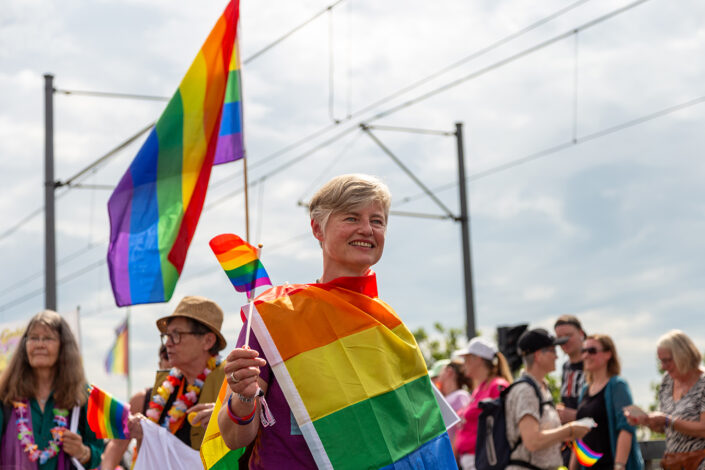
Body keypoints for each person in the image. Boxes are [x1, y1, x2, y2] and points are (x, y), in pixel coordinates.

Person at [218, 174, 456, 469]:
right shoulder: (273, 316)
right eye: (352, 217)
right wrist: (243, 394)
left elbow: (417, 441)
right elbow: (234, 437)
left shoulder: (390, 326)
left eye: (378, 221)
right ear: (317, 228)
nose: (367, 229)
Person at [0, 310, 104, 469]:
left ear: (64, 346)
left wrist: (83, 452)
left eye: (48, 338)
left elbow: (98, 452)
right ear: (24, 345)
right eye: (33, 338)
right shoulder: (6, 394)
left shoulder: (82, 396)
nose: (40, 344)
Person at [127, 295, 226, 452]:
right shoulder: (165, 384)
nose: (167, 343)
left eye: (177, 335)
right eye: (167, 335)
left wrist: (229, 417)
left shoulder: (230, 381)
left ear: (208, 341)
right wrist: (143, 432)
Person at [505, 328, 591, 470]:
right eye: (553, 350)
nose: (557, 356)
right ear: (538, 355)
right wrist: (569, 430)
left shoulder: (540, 388)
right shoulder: (526, 390)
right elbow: (532, 441)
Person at [626, 330, 705, 470]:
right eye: (660, 361)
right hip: (674, 462)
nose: (662, 366)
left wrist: (668, 420)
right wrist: (648, 422)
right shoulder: (667, 382)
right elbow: (667, 429)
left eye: (666, 360)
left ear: (683, 355)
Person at [571, 334, 643, 470]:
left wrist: (619, 465)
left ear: (608, 354)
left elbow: (626, 427)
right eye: (583, 351)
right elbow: (579, 435)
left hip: (611, 465)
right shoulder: (585, 389)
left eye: (592, 351)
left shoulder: (617, 385)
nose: (586, 355)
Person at [101, 345, 171, 470]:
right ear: (159, 364)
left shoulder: (200, 393)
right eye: (166, 356)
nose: (171, 360)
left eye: (174, 354)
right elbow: (118, 444)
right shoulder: (142, 399)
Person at [453, 336, 513, 470]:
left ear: (478, 359)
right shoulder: (479, 389)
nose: (464, 364)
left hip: (484, 461)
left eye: (467, 359)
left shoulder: (497, 386)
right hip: (473, 461)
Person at [555, 315, 587, 466]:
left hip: (590, 442)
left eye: (568, 336)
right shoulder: (566, 367)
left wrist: (574, 415)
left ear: (581, 333)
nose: (564, 342)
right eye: (559, 338)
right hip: (570, 443)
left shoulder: (592, 364)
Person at [434, 358, 472, 448]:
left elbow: (461, 428)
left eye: (441, 371)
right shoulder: (449, 397)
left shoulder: (461, 396)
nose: (438, 376)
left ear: (449, 371)